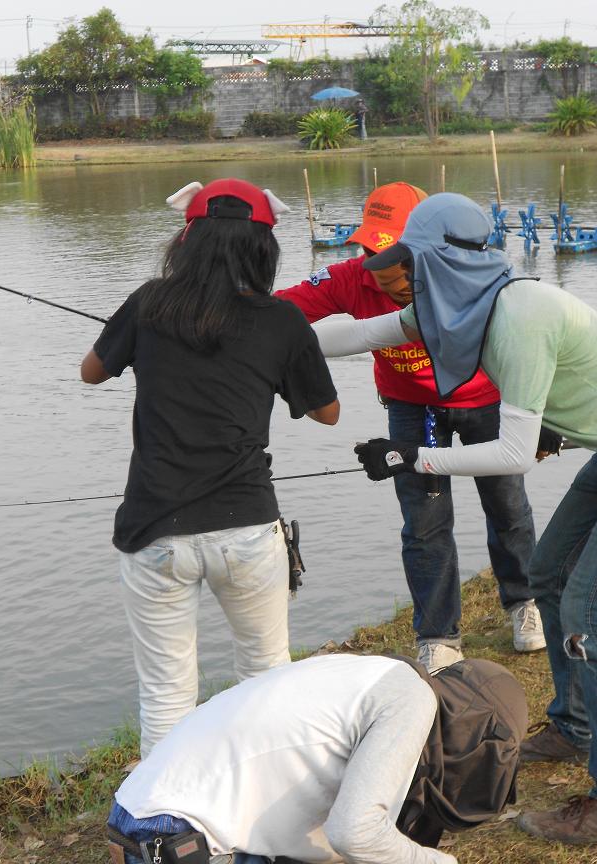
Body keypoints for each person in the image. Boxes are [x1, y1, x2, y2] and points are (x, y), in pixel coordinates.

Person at [315, 191, 597, 843]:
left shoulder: (520, 314)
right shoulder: (461, 309)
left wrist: (411, 457)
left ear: (441, 259)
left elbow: (513, 454)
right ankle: (574, 726)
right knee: (547, 576)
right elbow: (359, 334)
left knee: (585, 614)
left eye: (411, 259)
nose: (400, 272)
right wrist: (268, 346)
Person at [80, 178, 340, 758]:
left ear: (186, 239)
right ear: (263, 248)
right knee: (265, 676)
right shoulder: (284, 321)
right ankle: (262, 814)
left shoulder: (149, 304)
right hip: (247, 527)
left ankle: (165, 829)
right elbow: (327, 413)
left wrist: (138, 336)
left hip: (154, 531)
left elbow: (90, 372)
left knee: (167, 693)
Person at [275, 182, 541, 673]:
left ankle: (525, 602)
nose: (379, 264)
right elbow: (280, 313)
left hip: (484, 399)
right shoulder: (350, 278)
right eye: (370, 248)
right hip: (413, 408)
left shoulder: (471, 278)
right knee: (424, 520)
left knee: (506, 504)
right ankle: (438, 634)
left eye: (392, 251)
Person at [106, 652, 527, 864]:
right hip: (180, 837)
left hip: (133, 823)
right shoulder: (410, 701)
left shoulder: (369, 674)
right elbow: (354, 833)